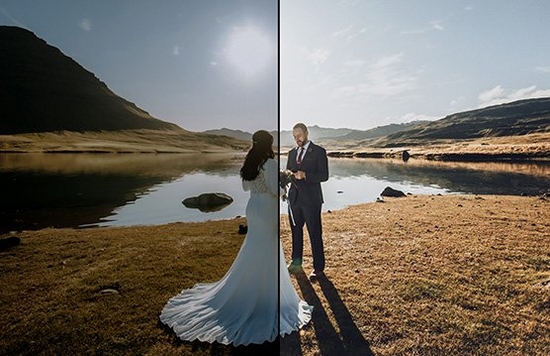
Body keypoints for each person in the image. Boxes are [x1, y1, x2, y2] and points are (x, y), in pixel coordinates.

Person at [160, 130, 312, 346]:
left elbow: (245, 186)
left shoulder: (250, 162)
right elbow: (273, 191)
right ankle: (266, 296)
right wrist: (284, 183)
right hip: (267, 210)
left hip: (253, 207)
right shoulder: (270, 163)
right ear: (269, 144)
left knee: (255, 246)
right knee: (268, 248)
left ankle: (251, 290)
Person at [286, 123, 329, 280]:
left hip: (311, 200)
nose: (297, 139)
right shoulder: (291, 153)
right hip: (294, 199)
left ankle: (318, 268)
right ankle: (296, 262)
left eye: (299, 135)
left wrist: (306, 175)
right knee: (296, 232)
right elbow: (289, 173)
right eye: (294, 136)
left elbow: (324, 176)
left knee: (315, 233)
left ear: (307, 133)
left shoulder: (318, 152)